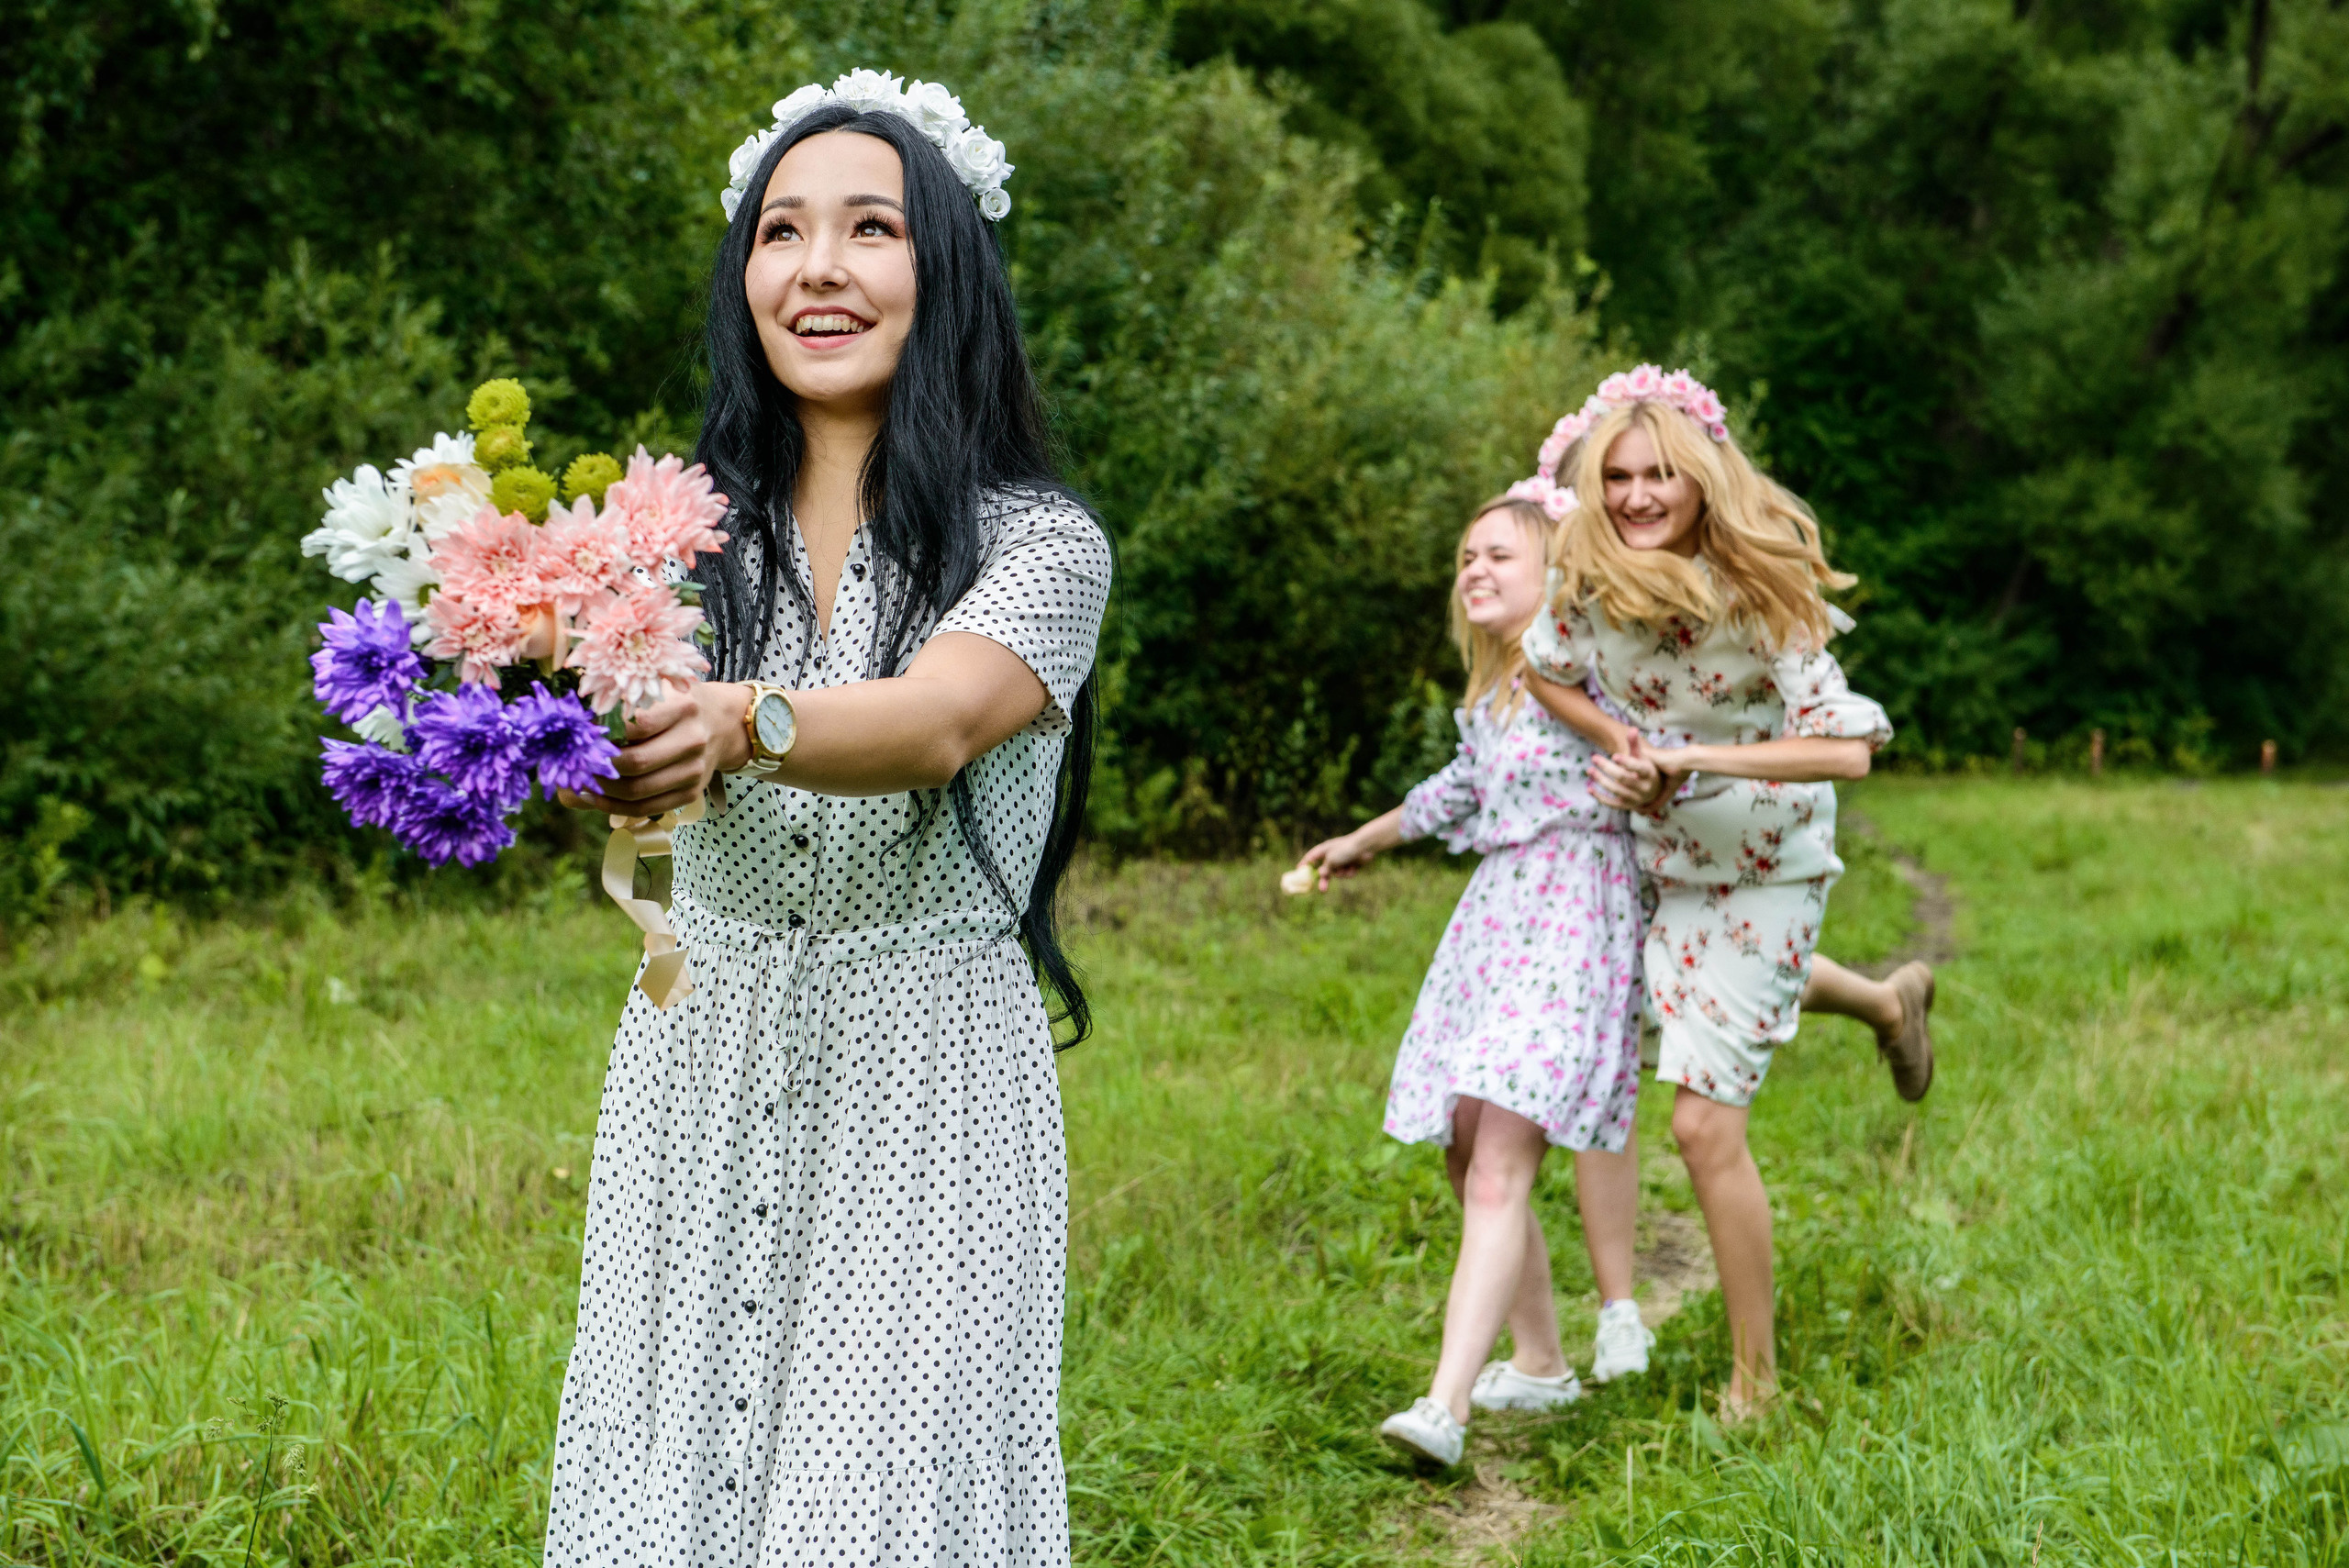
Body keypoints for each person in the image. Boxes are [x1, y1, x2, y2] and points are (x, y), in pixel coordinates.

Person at [542, 72, 1109, 1565]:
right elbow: (614, 752)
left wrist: (739, 717)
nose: (819, 268)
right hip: (700, 1036)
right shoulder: (670, 542)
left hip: (929, 1066)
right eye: (781, 231)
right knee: (673, 1448)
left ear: (945, 271)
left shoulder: (1041, 544)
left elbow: (934, 720)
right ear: (746, 282)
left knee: (878, 1479)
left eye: (871, 228)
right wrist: (580, 748)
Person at [1519, 366, 1912, 1418]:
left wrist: (1695, 758)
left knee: (1699, 1123)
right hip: (1660, 861)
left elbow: (1847, 753)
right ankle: (1884, 1001)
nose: (1638, 495)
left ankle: (1756, 1383)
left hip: (1769, 864)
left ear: (1701, 480)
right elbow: (1542, 668)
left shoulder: (1759, 591)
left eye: (1660, 475)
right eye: (1617, 477)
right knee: (1694, 1017)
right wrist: (1620, 742)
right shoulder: (1590, 580)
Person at [1297, 493, 1653, 1468]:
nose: (1473, 568)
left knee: (1499, 1161)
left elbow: (1654, 758)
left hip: (1573, 919)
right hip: (1496, 926)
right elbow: (1455, 790)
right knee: (1465, 1151)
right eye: (1464, 556)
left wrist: (1645, 780)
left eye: (1498, 552)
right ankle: (1539, 1362)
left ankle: (1444, 1405)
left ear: (1557, 574)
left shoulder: (1588, 671)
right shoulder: (1495, 692)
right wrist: (1362, 840)